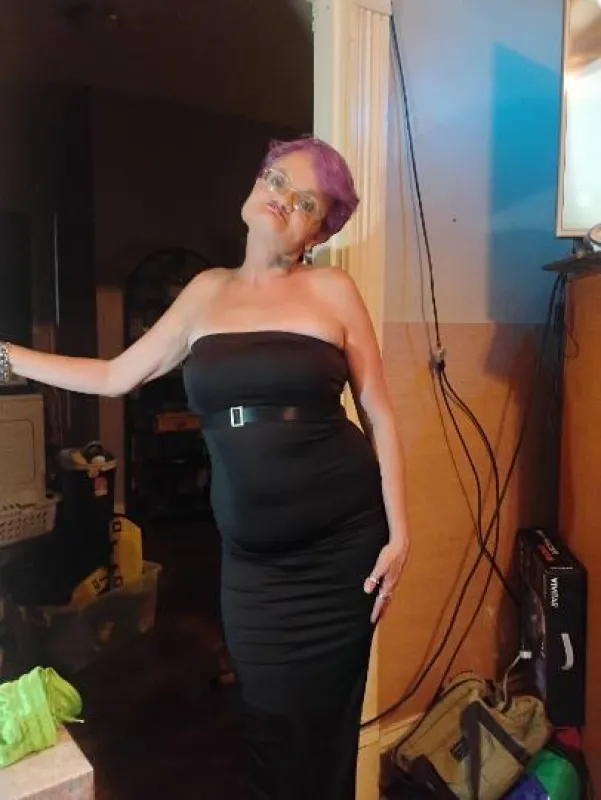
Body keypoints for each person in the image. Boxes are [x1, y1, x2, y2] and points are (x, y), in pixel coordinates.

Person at [0, 137, 410, 799]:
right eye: (276, 179)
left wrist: (400, 532)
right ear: (255, 184)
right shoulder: (204, 292)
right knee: (269, 727)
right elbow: (114, 376)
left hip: (342, 548)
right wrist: (6, 357)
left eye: (306, 201)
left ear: (317, 233)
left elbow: (378, 412)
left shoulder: (333, 290)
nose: (284, 199)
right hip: (256, 569)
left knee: (325, 728)